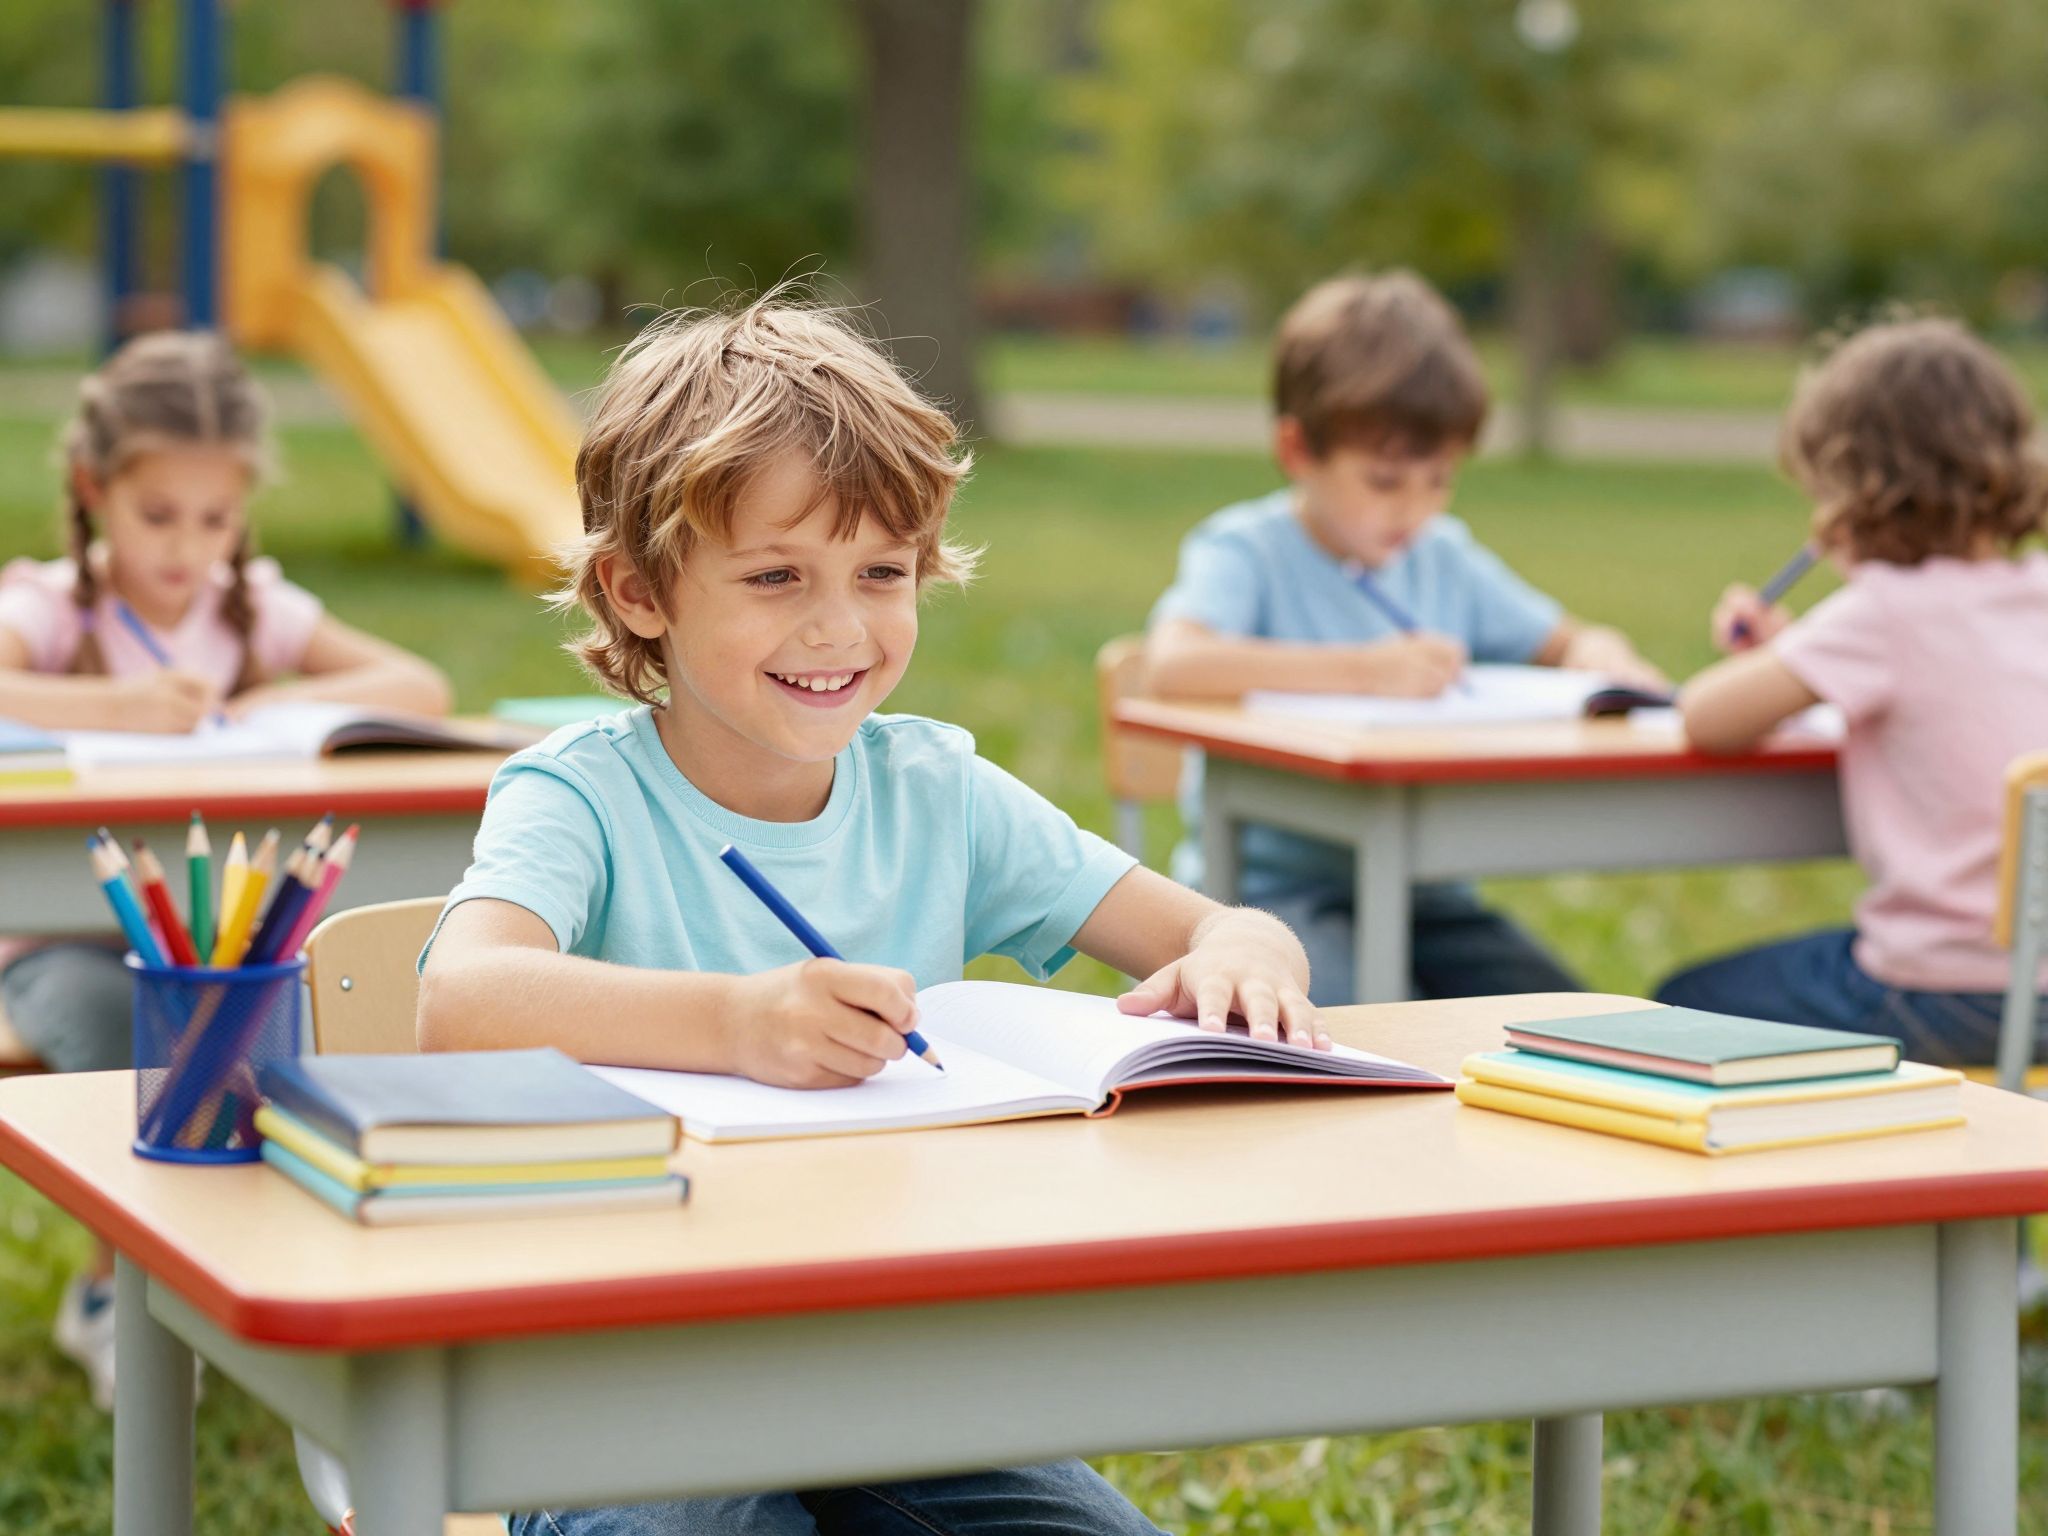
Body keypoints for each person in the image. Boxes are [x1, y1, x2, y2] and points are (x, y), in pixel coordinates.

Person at [416, 294, 1320, 1536]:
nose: (838, 627)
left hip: (887, 1379)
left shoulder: (933, 790)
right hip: (613, 1382)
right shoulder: (580, 795)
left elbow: (1214, 928)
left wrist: (1250, 956)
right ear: (637, 594)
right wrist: (737, 1023)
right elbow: (461, 999)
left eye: (881, 574)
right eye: (776, 576)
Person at [0, 330, 451, 1407]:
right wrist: (108, 707)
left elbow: (417, 683)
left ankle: (254, 1273)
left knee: (282, 1015)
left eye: (215, 520)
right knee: (133, 1026)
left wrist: (263, 703)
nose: (186, 549)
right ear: (92, 489)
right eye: (158, 517)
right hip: (56, 946)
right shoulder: (52, 606)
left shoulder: (251, 608)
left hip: (224, 939)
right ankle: (118, 1293)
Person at [1144, 270, 1663, 1005]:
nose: (1415, 508)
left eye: (1440, 479)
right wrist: (1364, 670)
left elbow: (1560, 639)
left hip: (1427, 896)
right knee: (1347, 1036)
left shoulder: (1441, 553)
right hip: (1269, 900)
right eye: (1386, 481)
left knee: (1569, 1021)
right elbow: (1173, 667)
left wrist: (1598, 653)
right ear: (1298, 450)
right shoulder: (1246, 551)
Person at [1658, 317, 2048, 1062]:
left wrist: (1764, 655)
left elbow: (1707, 717)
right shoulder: (2036, 589)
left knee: (1685, 1001)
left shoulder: (1885, 611)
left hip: (1949, 994)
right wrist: (1797, 648)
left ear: (1852, 491)